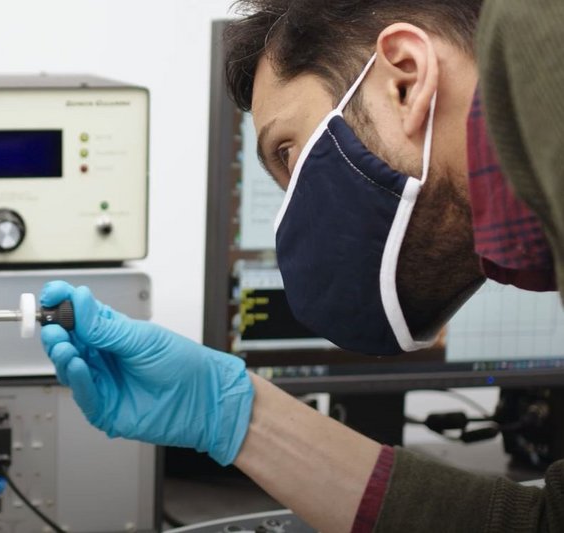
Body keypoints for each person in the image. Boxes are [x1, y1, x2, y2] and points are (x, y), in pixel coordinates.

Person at [38, 0, 564, 531]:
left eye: (289, 154)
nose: (298, 210)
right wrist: (229, 415)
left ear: (405, 78)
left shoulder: (541, 37)